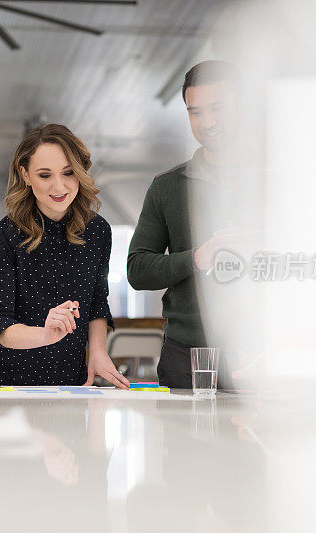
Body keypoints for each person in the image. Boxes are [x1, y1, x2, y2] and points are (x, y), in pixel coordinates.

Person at [127, 60, 260, 389]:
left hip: (261, 352)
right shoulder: (167, 187)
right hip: (186, 355)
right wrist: (197, 257)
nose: (207, 122)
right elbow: (137, 269)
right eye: (195, 111)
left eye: (217, 108)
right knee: (186, 441)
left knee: (261, 442)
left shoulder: (273, 180)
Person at [0, 123, 128, 388]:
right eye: (45, 175)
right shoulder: (5, 235)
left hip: (70, 378)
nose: (59, 186)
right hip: (9, 382)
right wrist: (47, 334)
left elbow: (96, 302)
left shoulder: (98, 231)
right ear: (25, 175)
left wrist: (97, 352)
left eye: (68, 173)